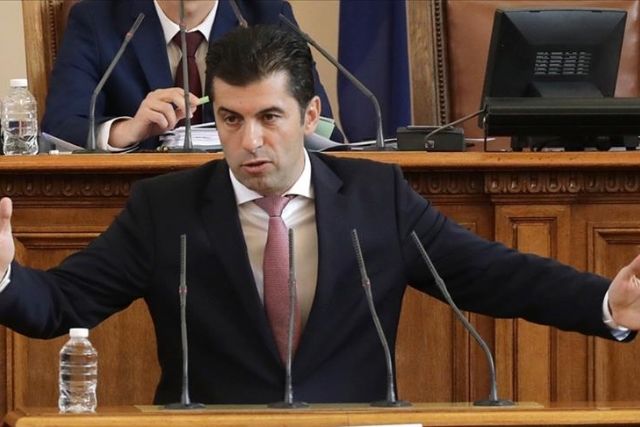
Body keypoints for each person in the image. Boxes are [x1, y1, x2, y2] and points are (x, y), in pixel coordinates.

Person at [2, 25, 640, 405]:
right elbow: (61, 303)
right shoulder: (165, 209)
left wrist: (604, 303)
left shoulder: (377, 197)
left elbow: (495, 275)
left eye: (269, 116)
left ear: (310, 116)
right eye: (231, 119)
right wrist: (4, 275)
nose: (250, 140)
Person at [41, 0, 336, 151]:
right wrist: (127, 131)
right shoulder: (97, 19)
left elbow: (318, 125)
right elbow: (59, 126)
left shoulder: (268, 15)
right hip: (136, 201)